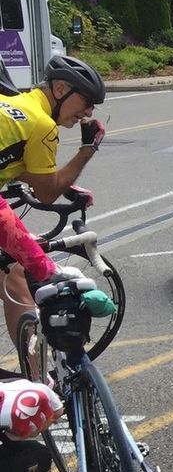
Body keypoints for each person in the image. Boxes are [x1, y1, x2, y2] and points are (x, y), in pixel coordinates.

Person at [0, 55, 108, 346]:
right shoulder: (42, 124)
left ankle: (35, 369)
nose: (88, 112)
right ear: (60, 89)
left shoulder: (14, 107)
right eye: (87, 101)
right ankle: (48, 374)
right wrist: (88, 148)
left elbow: (16, 166)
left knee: (13, 275)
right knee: (42, 273)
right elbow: (47, 193)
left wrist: (66, 186)